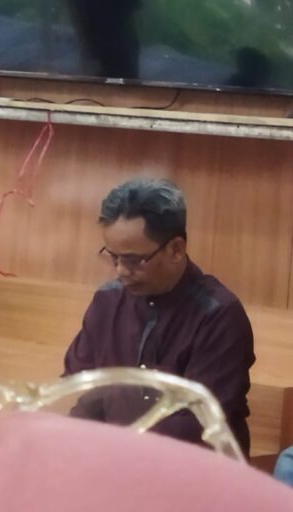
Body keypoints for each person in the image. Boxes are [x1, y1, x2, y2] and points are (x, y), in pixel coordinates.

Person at [63, 178, 255, 453]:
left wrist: (114, 449)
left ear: (176, 249)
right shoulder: (107, 301)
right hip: (111, 460)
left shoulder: (218, 315)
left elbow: (200, 423)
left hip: (192, 469)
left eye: (134, 260)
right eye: (113, 257)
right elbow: (78, 388)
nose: (120, 270)